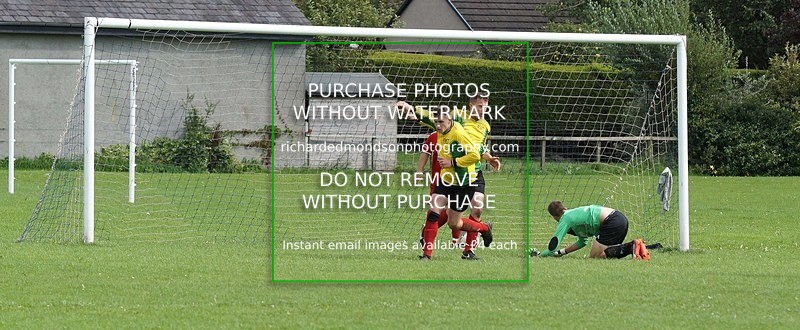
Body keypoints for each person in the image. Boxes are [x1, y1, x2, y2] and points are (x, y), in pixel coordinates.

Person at [398, 95, 500, 260]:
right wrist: (412, 110)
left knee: (475, 210)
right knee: (436, 211)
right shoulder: (458, 116)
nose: (483, 110)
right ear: (471, 105)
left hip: (472, 174)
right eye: (480, 106)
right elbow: (435, 118)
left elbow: (479, 149)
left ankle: (470, 248)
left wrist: (490, 159)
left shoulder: (485, 125)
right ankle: (427, 254)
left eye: (486, 107)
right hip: (450, 174)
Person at [417, 109, 492, 260]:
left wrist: (451, 162)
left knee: (454, 224)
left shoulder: (459, 134)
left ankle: (484, 228)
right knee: (433, 212)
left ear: (450, 121)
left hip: (464, 183)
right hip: (446, 180)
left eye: (441, 123)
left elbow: (474, 155)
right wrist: (405, 107)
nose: (438, 126)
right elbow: (424, 116)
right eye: (436, 123)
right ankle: (427, 255)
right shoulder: (441, 128)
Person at [536, 201, 650, 260]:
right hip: (620, 219)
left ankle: (631, 246)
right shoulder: (574, 217)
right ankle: (635, 249)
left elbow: (553, 244)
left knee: (595, 256)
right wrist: (561, 252)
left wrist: (540, 255)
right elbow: (582, 242)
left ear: (554, 217)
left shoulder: (565, 218)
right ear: (564, 208)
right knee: (606, 254)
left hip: (611, 221)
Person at [416, 131, 464, 248]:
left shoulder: (461, 134)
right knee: (435, 211)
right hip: (438, 180)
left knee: (454, 210)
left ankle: (455, 241)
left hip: (458, 180)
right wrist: (419, 171)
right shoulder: (434, 136)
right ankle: (427, 235)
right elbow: (425, 152)